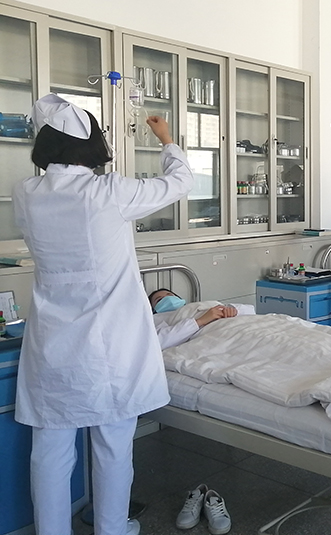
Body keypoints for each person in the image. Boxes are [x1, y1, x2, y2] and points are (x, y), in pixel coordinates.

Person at [13, 95, 193, 535]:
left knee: (50, 450)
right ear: (91, 144)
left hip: (53, 343)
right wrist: (166, 139)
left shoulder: (26, 194)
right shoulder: (108, 192)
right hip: (109, 344)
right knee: (112, 444)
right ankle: (112, 528)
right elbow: (179, 182)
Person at [148, 289, 255, 350]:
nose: (167, 299)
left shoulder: (196, 306)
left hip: (239, 327)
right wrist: (200, 321)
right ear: (153, 309)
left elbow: (251, 312)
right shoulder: (156, 319)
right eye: (159, 300)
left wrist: (235, 311)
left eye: (169, 295)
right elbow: (160, 341)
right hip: (216, 335)